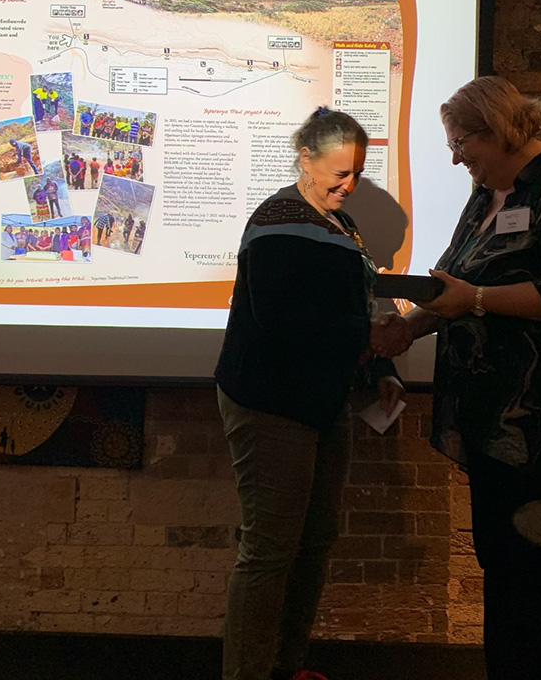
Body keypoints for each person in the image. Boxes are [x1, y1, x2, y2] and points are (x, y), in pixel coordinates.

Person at [381, 76, 541, 680]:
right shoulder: (489, 192)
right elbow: (456, 287)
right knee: (504, 566)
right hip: (494, 420)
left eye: (461, 141)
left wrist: (475, 302)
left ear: (496, 128)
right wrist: (406, 330)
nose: (455, 156)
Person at [214, 107, 405, 680]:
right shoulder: (277, 222)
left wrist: (381, 369)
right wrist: (367, 336)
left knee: (315, 540)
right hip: (270, 402)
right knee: (271, 551)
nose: (350, 184)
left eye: (357, 172)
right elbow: (279, 321)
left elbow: (355, 302)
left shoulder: (339, 224)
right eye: (340, 171)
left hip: (322, 399)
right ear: (305, 157)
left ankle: (285, 668)